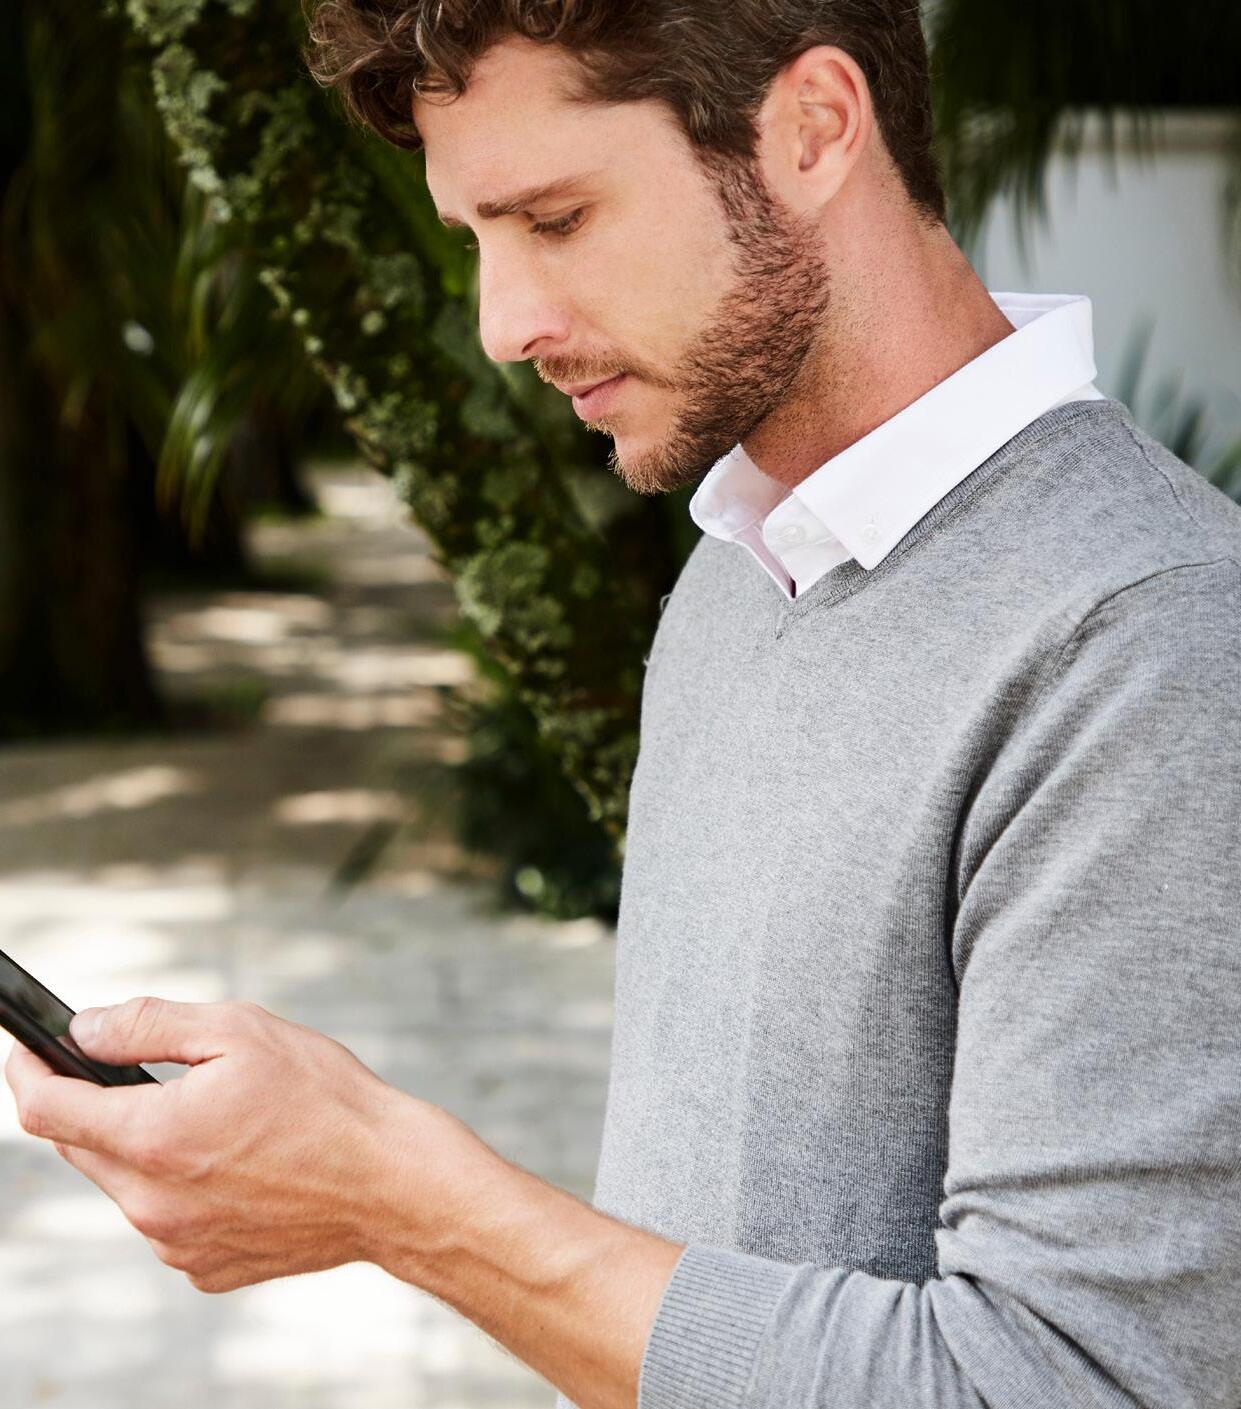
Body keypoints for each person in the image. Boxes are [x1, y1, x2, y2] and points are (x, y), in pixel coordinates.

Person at [7, 4, 1241, 1407]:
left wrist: (405, 1200)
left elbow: (1075, 1382)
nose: (502, 326)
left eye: (557, 219)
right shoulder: (737, 572)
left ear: (813, 129)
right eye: (477, 239)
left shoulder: (1154, 647)